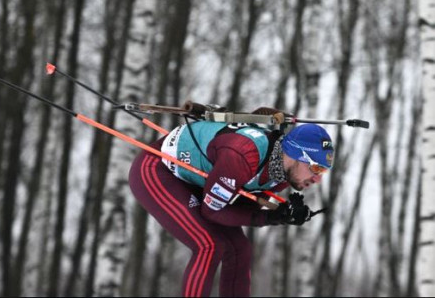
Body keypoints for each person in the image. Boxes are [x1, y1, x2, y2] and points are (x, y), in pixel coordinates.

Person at [128, 119, 334, 297]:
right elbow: (213, 211)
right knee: (209, 245)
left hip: (197, 183)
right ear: (295, 153)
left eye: (323, 170)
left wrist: (283, 214)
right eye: (315, 168)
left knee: (239, 249)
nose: (317, 179)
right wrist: (269, 217)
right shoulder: (244, 155)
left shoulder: (281, 176)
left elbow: (238, 205)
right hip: (157, 170)